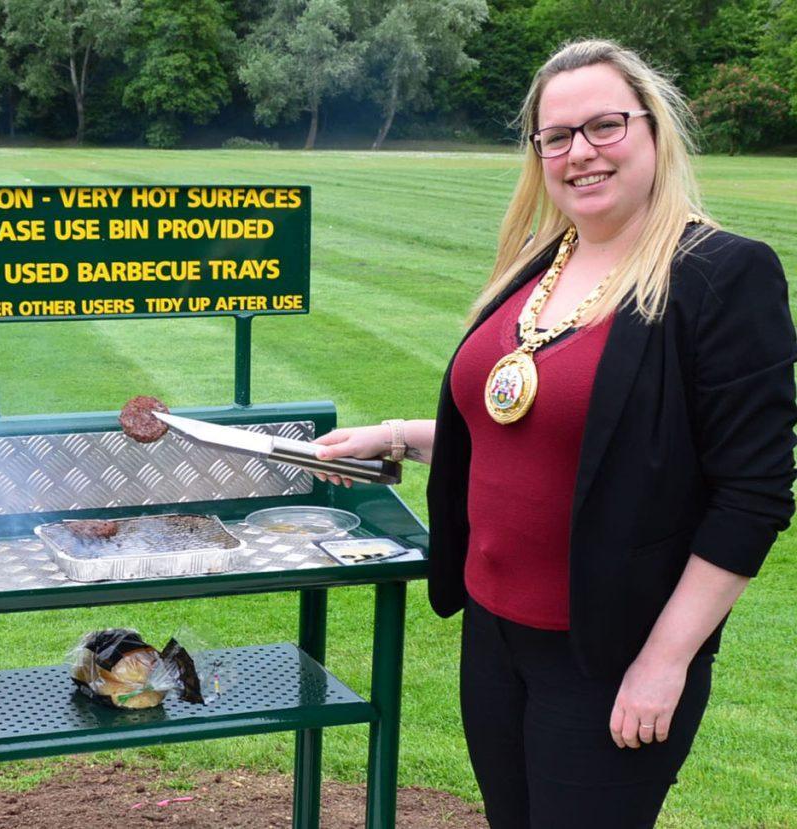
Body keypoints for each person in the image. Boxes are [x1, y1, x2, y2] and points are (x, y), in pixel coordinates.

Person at [313, 39, 797, 829]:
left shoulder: (719, 274)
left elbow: (752, 495)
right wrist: (397, 432)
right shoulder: (540, 261)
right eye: (556, 136)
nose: (581, 153)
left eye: (605, 126)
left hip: (610, 651)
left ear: (653, 130)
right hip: (495, 635)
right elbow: (534, 425)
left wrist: (663, 661)